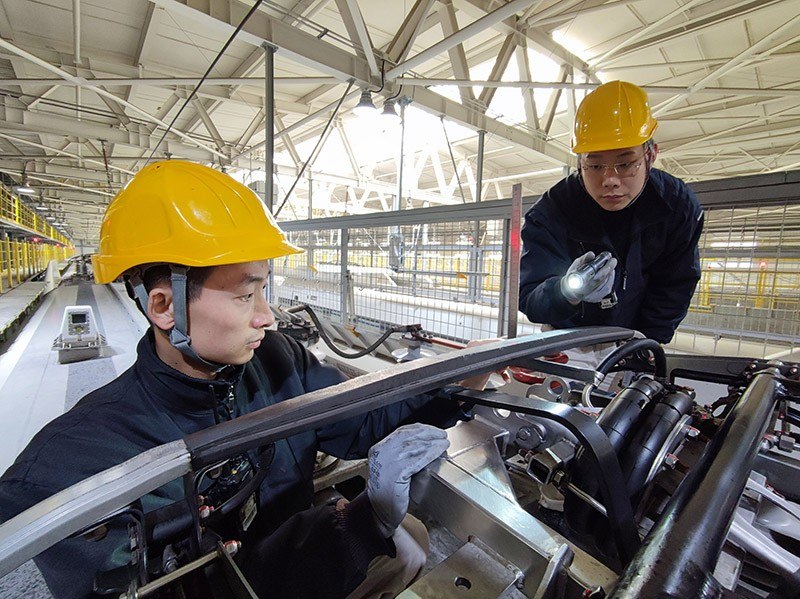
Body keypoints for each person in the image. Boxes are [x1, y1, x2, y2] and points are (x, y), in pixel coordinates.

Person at [0, 160, 473, 599]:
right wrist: (356, 527)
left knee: (411, 539)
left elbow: (358, 421)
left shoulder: (275, 360)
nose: (268, 316)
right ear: (164, 307)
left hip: (306, 552)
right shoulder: (72, 468)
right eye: (247, 295)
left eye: (264, 288)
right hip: (279, 571)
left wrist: (455, 385)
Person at [519, 80, 704, 346]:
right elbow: (530, 297)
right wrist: (565, 293)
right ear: (580, 162)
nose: (610, 180)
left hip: (634, 337)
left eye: (625, 164)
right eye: (594, 166)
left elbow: (674, 286)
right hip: (566, 340)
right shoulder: (551, 212)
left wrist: (645, 345)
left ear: (650, 154)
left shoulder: (676, 206)